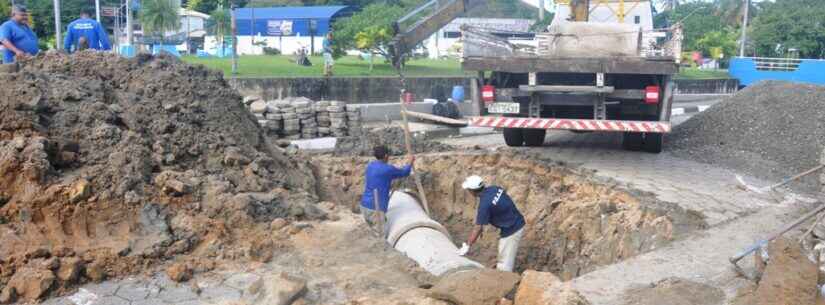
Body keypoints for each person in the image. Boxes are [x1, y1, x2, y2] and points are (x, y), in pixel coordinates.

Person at [458, 175, 526, 272]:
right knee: (503, 254)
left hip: (512, 229)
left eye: (468, 189)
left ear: (472, 191)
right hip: (517, 220)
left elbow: (477, 228)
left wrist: (467, 245)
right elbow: (500, 203)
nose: (468, 192)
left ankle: (504, 282)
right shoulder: (495, 189)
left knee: (504, 265)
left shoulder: (484, 205)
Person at [360, 145, 415, 232]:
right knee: (381, 236)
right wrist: (410, 162)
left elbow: (381, 175)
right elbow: (405, 172)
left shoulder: (370, 166)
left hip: (364, 205)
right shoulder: (388, 169)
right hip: (375, 209)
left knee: (370, 235)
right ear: (386, 155)